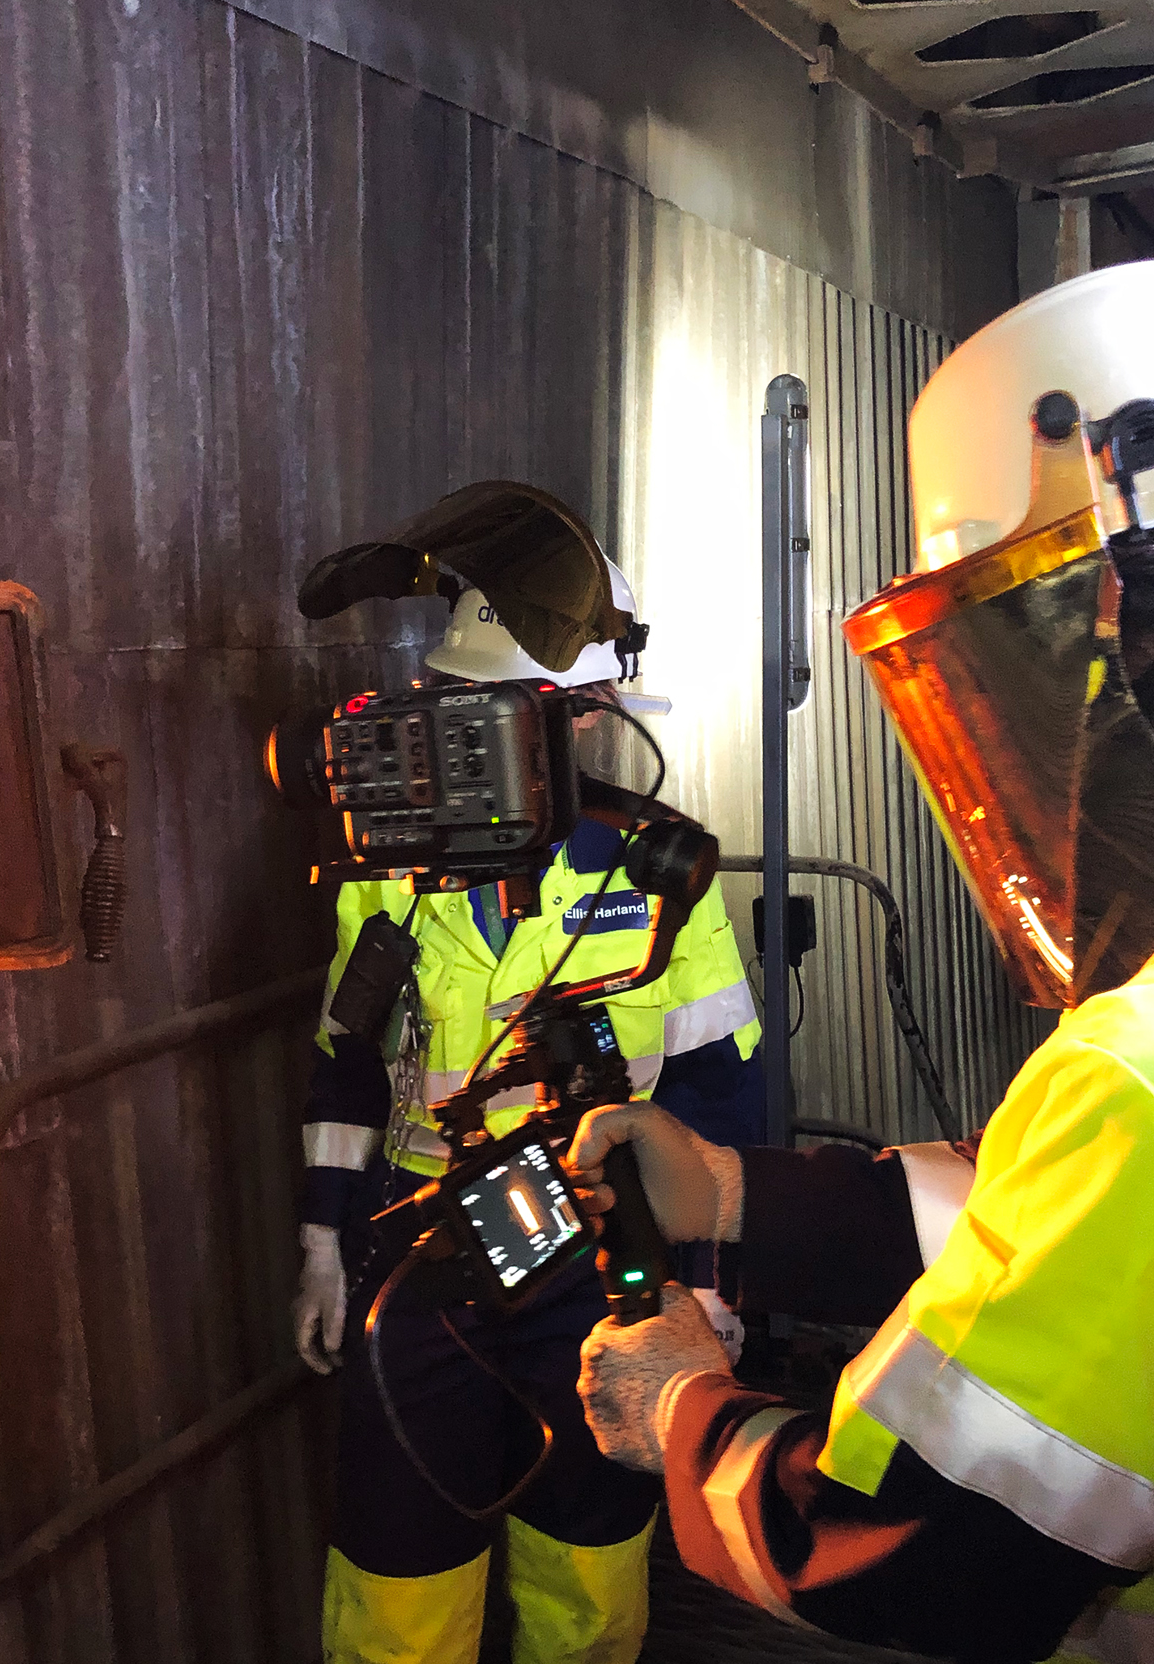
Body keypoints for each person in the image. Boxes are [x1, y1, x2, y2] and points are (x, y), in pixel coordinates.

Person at [569, 259, 1154, 1664]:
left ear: (1137, 624)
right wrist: (738, 1194)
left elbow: (917, 1564)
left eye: (1000, 650)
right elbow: (1122, 1232)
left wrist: (683, 1403)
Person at [295, 548, 763, 1664]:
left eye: (510, 710)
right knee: (396, 1576)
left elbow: (717, 1092)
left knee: (590, 1568)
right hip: (414, 1261)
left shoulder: (656, 868)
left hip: (600, 1254)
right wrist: (320, 1238)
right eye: (463, 706)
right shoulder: (386, 861)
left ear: (588, 719)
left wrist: (710, 1287)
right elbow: (347, 1070)